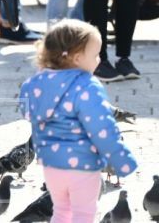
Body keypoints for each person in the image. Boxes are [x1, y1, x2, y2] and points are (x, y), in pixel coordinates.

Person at [19, 19, 138, 222]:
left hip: (52, 165)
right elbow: (102, 129)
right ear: (76, 58)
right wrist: (121, 159)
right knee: (84, 214)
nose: (99, 60)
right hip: (83, 165)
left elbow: (27, 113)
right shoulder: (87, 86)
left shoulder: (34, 84)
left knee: (62, 211)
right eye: (95, 55)